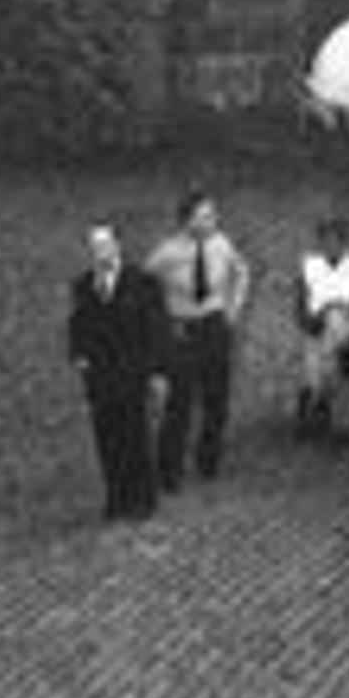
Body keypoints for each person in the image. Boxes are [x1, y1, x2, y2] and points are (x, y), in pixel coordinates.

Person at [145, 189, 248, 491]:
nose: (212, 220)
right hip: (183, 329)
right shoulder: (166, 253)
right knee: (180, 402)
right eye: (204, 216)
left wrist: (234, 309)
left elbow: (241, 272)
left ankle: (208, 461)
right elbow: (144, 288)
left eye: (213, 214)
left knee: (217, 398)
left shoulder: (222, 244)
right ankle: (169, 470)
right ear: (186, 221)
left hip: (215, 326)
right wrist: (162, 324)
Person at [68, 224, 169, 521]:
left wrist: (156, 371)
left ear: (118, 247)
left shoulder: (143, 283)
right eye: (96, 248)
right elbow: (78, 325)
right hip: (100, 377)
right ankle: (116, 497)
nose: (102, 253)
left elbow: (156, 329)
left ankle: (143, 499)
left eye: (106, 246)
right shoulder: (84, 286)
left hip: (133, 373)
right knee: (107, 440)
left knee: (136, 437)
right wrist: (79, 355)